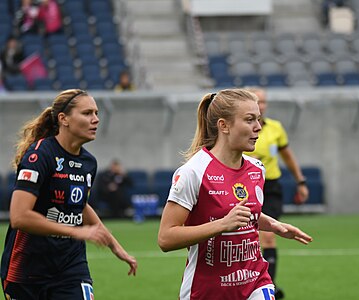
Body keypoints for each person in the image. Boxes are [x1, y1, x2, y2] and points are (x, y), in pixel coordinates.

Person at [158, 89, 313, 300]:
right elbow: (166, 238)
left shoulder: (257, 169)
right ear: (224, 125)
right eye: (250, 120)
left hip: (255, 281)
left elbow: (244, 213)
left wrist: (273, 225)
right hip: (208, 290)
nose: (258, 127)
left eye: (258, 119)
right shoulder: (193, 172)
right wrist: (222, 224)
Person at [0, 89, 137, 299]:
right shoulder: (40, 155)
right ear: (64, 119)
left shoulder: (88, 163)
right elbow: (19, 216)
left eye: (96, 113)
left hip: (70, 266)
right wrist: (75, 231)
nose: (96, 120)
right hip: (26, 270)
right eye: (87, 113)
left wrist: (115, 247)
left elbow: (81, 206)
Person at [243, 87, 309, 299]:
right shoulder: (241, 129)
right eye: (256, 102)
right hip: (245, 188)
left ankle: (267, 286)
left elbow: (288, 156)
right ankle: (248, 279)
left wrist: (301, 181)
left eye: (263, 102)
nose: (261, 106)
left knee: (269, 237)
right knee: (245, 238)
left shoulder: (275, 129)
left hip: (270, 187)